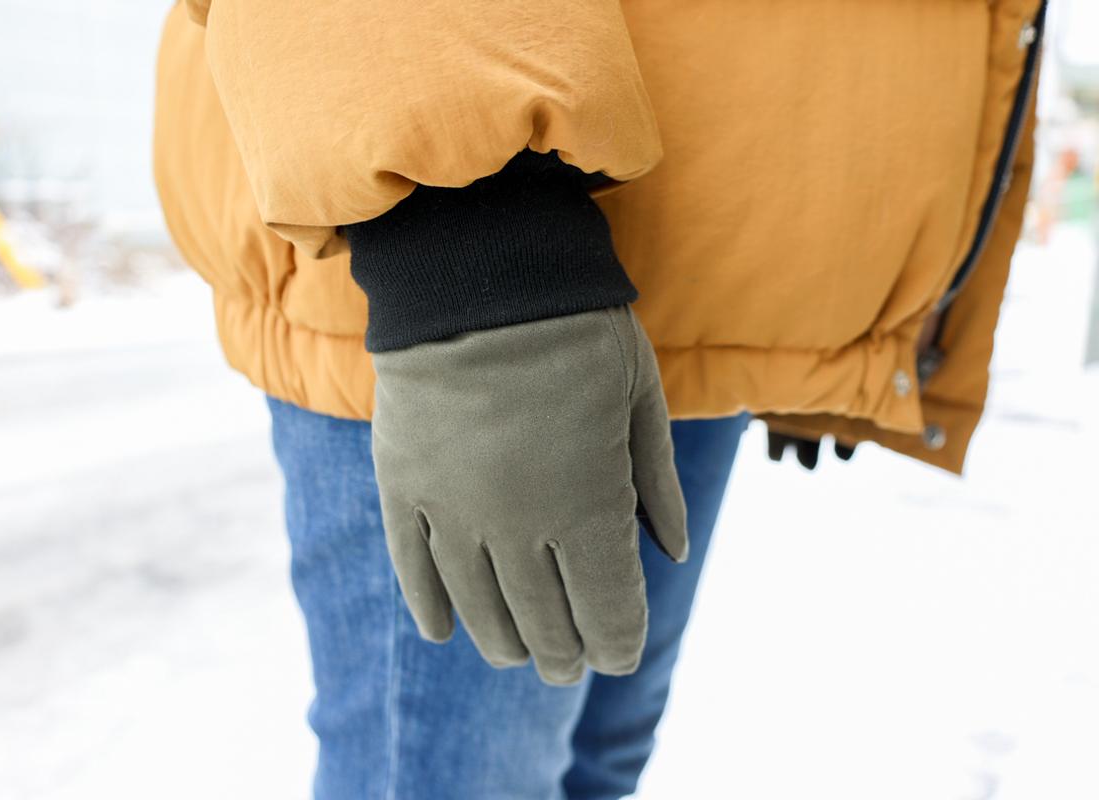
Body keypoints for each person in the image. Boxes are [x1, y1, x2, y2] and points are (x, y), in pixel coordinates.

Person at [153, 1, 1045, 797]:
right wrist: (469, 245)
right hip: (492, 277)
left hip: (698, 285)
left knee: (598, 764)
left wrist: (828, 304)